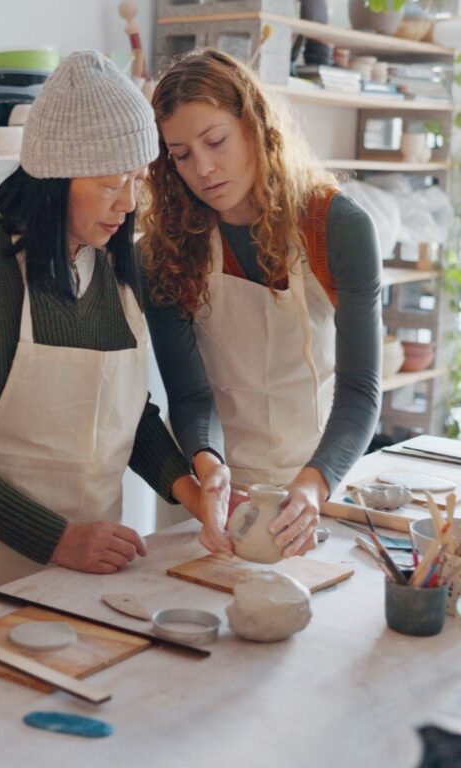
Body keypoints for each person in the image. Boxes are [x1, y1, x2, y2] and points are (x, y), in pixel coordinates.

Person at [0, 51, 230, 612]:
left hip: (84, 577)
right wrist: (58, 538)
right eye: (108, 184)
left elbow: (126, 416)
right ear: (53, 178)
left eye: (137, 180)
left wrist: (190, 490)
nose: (128, 204)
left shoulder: (109, 262)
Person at [140, 49, 381, 558]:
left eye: (216, 141)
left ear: (253, 125)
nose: (203, 169)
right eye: (181, 155)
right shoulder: (166, 247)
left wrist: (314, 485)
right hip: (214, 488)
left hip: (317, 473)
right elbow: (189, 395)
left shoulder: (334, 226)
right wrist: (208, 470)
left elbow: (360, 391)